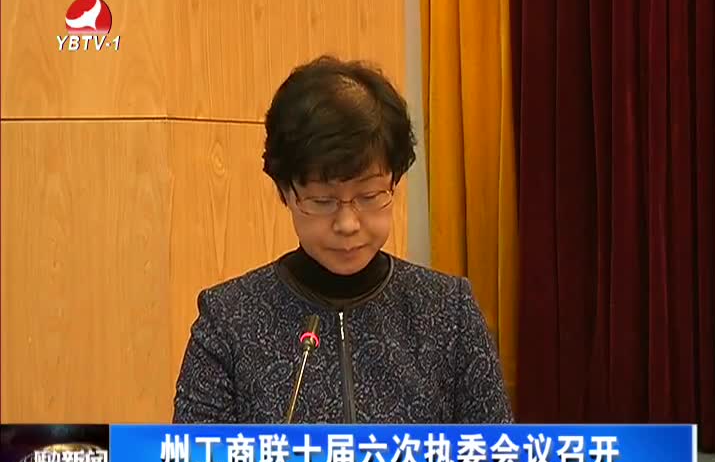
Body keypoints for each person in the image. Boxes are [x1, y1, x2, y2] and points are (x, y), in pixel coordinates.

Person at [173, 56, 513, 424]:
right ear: (285, 191)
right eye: (323, 201)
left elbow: (495, 454)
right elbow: (193, 456)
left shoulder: (448, 312)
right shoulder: (229, 320)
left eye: (369, 196)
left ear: (394, 182)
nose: (348, 223)